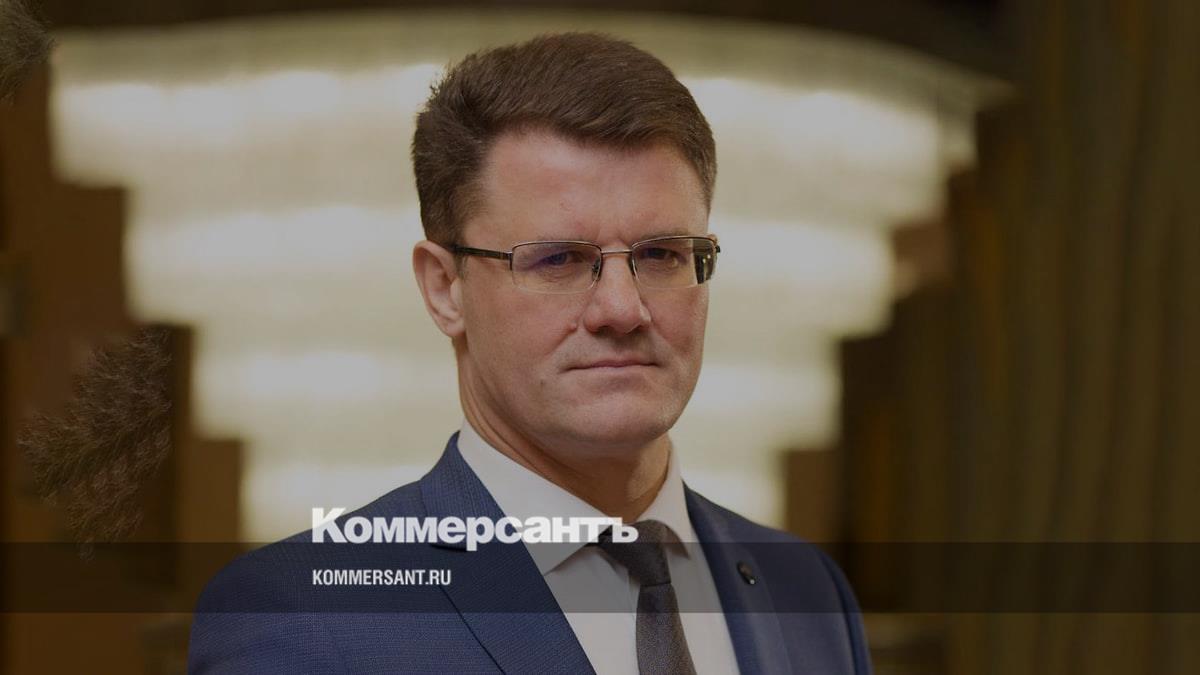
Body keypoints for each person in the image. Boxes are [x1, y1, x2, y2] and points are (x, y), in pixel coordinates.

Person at [190, 32, 870, 674]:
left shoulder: (808, 592)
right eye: (557, 259)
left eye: (662, 254)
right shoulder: (303, 619)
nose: (622, 310)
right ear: (444, 289)